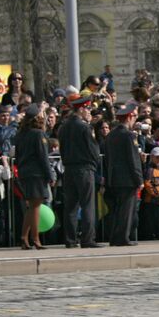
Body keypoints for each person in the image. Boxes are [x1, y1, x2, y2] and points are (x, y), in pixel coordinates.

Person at [57, 95, 103, 248]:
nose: (89, 111)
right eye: (88, 108)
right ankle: (88, 239)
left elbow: (62, 149)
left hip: (69, 168)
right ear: (82, 109)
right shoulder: (84, 127)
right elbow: (93, 149)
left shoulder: (63, 126)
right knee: (87, 204)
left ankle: (70, 239)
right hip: (84, 168)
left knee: (70, 206)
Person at [13, 105, 53, 250]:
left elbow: (17, 157)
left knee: (32, 207)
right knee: (35, 207)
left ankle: (24, 237)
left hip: (24, 172)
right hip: (36, 173)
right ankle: (35, 239)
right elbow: (43, 157)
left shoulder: (21, 134)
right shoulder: (38, 134)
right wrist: (49, 175)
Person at [103, 102, 143, 247]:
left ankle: (115, 237)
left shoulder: (111, 135)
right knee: (127, 209)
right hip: (127, 178)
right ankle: (123, 237)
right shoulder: (129, 135)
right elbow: (133, 160)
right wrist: (139, 179)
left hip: (114, 177)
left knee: (117, 209)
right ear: (130, 117)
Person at [140, 148, 159, 241]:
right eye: (158, 157)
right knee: (154, 224)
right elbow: (148, 184)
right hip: (152, 202)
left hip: (158, 201)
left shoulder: (157, 169)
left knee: (158, 224)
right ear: (152, 157)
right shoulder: (150, 170)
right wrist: (157, 195)